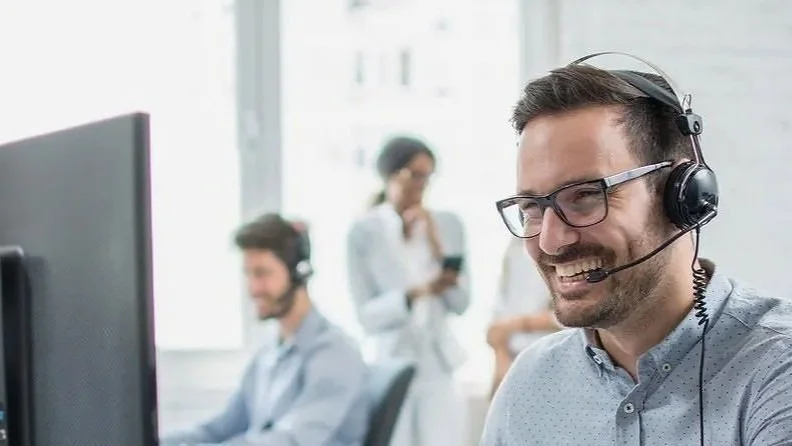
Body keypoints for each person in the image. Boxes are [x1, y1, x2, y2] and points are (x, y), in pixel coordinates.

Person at [481, 55, 792, 445]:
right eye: (531, 207)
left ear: (682, 196)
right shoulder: (531, 382)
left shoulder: (776, 365)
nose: (550, 241)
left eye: (586, 196)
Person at [160, 214, 369, 446]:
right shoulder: (269, 354)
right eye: (248, 274)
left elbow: (292, 440)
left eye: (261, 274)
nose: (252, 289)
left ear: (298, 272)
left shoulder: (334, 353)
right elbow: (219, 430)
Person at [346, 136, 470, 446]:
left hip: (438, 365)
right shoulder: (363, 232)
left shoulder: (448, 224)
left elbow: (461, 303)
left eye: (428, 176)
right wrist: (414, 294)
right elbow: (366, 317)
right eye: (414, 175)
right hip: (392, 363)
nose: (422, 185)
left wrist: (436, 243)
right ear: (391, 175)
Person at [485, 236, 560, 398]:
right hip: (513, 360)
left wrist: (516, 324)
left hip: (552, 361)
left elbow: (575, 315)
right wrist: (501, 354)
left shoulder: (561, 242)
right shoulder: (515, 245)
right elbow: (501, 311)